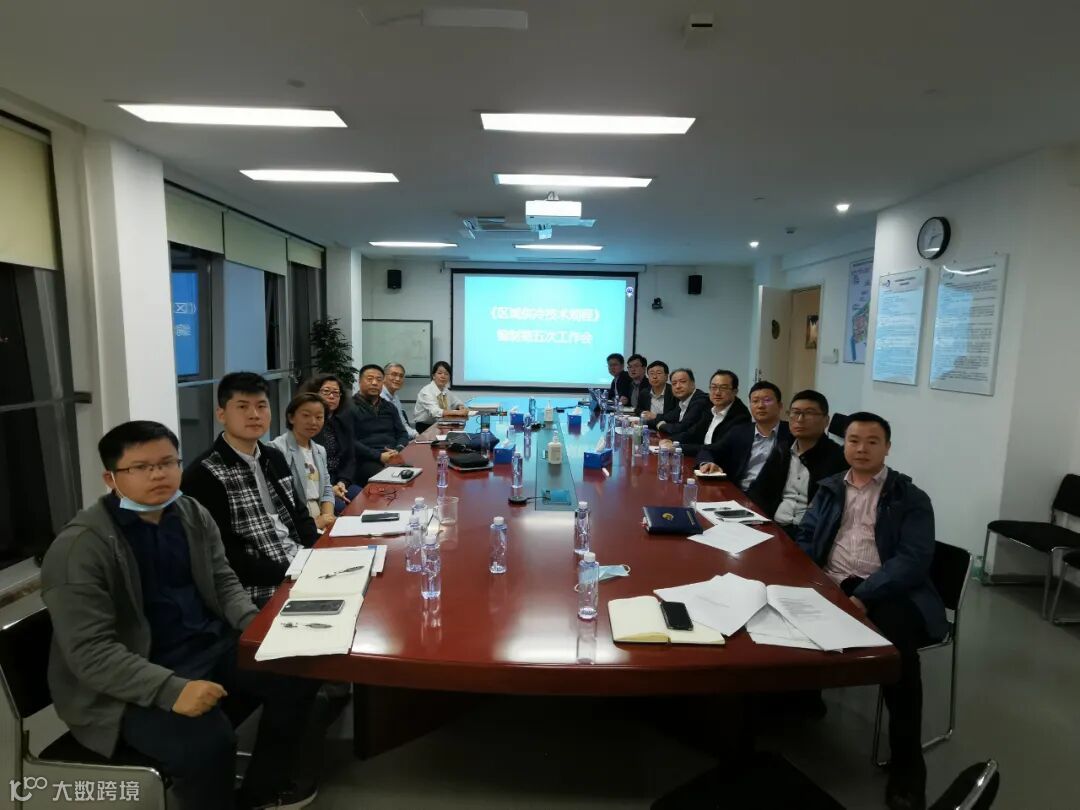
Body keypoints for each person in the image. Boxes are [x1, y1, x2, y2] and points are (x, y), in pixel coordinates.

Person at [40, 420, 318, 810]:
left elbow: (222, 580)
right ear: (110, 478)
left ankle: (260, 793)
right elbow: (91, 653)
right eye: (140, 467)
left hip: (206, 649)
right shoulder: (81, 548)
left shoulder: (189, 512)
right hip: (126, 684)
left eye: (168, 463)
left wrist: (255, 626)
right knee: (209, 743)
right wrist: (172, 690)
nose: (158, 475)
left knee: (297, 672)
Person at [796, 413, 947, 810]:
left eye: (872, 441)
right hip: (833, 581)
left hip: (891, 591)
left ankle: (908, 765)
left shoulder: (909, 497)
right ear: (844, 444)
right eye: (853, 440)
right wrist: (799, 573)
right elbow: (808, 535)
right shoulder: (830, 487)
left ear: (887, 448)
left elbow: (913, 560)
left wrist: (864, 595)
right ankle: (803, 698)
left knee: (899, 661)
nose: (861, 449)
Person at [182, 372, 318, 607]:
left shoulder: (273, 457)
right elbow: (225, 554)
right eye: (242, 406)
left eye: (261, 406)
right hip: (258, 587)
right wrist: (292, 571)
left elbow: (299, 514)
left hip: (300, 563)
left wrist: (319, 555)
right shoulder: (204, 474)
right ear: (221, 414)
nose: (254, 414)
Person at [698, 380, 793, 510]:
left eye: (767, 400)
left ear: (780, 405)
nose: (760, 406)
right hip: (737, 496)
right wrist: (707, 463)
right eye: (755, 401)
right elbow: (708, 450)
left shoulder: (791, 434)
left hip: (771, 503)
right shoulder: (740, 431)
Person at [772, 390, 848, 532]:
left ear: (826, 421)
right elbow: (761, 490)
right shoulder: (782, 449)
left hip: (809, 532)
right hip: (775, 524)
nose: (800, 419)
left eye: (809, 413)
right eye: (795, 412)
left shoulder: (838, 458)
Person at [270, 393, 336, 532]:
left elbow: (326, 489)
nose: (313, 422)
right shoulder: (277, 449)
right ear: (291, 417)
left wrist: (327, 518)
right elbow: (279, 499)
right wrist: (313, 524)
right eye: (306, 415)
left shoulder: (320, 450)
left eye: (319, 417)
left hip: (320, 515)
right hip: (295, 522)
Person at [299, 373, 360, 514]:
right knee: (341, 509)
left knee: (363, 498)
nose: (331, 396)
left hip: (341, 481)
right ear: (314, 393)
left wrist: (342, 482)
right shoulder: (309, 426)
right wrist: (330, 488)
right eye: (326, 392)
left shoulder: (342, 422)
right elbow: (306, 467)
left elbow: (350, 459)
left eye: (336, 393)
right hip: (317, 485)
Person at [669, 369, 750, 454]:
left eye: (723, 388)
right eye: (713, 387)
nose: (717, 392)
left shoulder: (740, 417)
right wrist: (670, 441)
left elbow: (718, 448)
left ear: (735, 392)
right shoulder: (711, 408)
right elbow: (693, 432)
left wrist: (678, 448)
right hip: (703, 456)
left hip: (718, 460)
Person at [351, 364, 409, 483]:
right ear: (359, 381)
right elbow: (350, 441)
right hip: (365, 460)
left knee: (416, 474)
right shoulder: (349, 407)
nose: (374, 383)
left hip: (392, 456)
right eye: (369, 379)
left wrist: (398, 449)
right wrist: (379, 456)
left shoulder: (389, 407)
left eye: (378, 379)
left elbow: (402, 433)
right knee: (390, 480)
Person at [642, 368, 710, 439]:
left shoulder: (700, 400)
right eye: (674, 383)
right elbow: (668, 418)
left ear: (693, 384)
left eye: (683, 382)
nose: (678, 386)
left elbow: (682, 427)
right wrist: (642, 422)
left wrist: (661, 426)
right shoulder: (682, 402)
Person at [414, 360, 467, 432]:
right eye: (439, 373)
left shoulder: (445, 390)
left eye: (446, 374)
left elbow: (456, 402)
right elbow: (435, 412)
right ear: (433, 376)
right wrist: (457, 412)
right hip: (425, 427)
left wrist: (460, 406)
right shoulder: (426, 392)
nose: (443, 376)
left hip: (442, 424)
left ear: (449, 377)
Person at [381, 361, 418, 439]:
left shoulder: (396, 398)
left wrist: (416, 435)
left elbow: (402, 424)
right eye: (394, 374)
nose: (398, 379)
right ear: (383, 377)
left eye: (401, 376)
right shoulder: (378, 397)